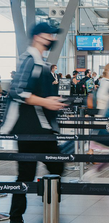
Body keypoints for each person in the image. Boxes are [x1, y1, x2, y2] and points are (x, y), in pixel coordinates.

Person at [3, 22, 66, 223]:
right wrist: (46, 102)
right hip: (29, 129)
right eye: (50, 35)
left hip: (41, 128)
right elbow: (18, 91)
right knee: (28, 174)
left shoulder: (39, 61)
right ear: (38, 36)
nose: (53, 39)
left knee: (55, 166)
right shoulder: (29, 59)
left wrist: (51, 101)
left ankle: (44, 199)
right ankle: (16, 217)